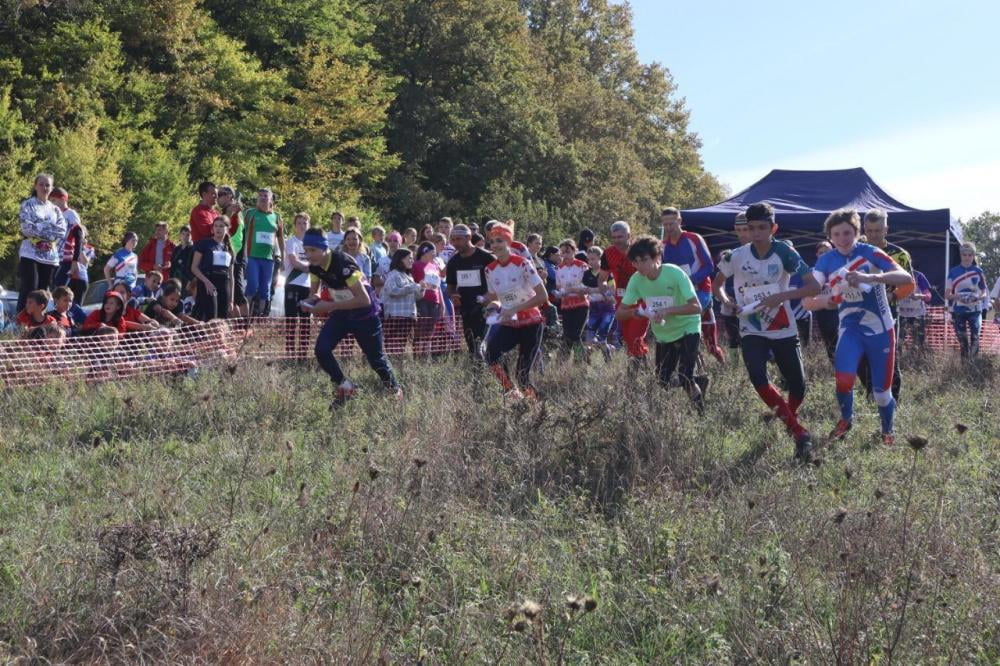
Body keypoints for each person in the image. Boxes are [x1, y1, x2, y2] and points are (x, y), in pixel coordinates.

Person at [713, 202, 820, 461]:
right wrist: (727, 302)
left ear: (773, 228)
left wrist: (783, 295)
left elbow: (814, 286)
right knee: (758, 376)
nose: (757, 233)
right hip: (752, 326)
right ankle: (798, 432)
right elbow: (716, 285)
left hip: (782, 326)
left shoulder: (785, 252)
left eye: (762, 228)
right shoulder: (735, 256)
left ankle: (785, 419)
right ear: (746, 230)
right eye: (751, 228)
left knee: (798, 386)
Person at [809, 209, 913, 447]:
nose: (843, 238)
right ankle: (846, 419)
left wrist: (871, 279)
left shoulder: (870, 252)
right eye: (837, 234)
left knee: (881, 393)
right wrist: (817, 298)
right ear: (830, 236)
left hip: (881, 330)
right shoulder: (826, 260)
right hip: (850, 329)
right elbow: (812, 289)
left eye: (847, 233)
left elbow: (906, 277)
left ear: (856, 233)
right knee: (843, 380)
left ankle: (887, 430)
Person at [299, 229, 401, 406]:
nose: (309, 255)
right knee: (321, 350)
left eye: (312, 250)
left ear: (324, 248)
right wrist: (309, 302)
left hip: (364, 314)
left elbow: (363, 300)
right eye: (305, 250)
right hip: (341, 313)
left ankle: (395, 389)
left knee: (375, 359)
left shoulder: (343, 263)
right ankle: (346, 387)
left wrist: (328, 306)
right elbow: (314, 293)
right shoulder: (314, 266)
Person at [616, 235, 707, 412]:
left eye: (644, 260)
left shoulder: (674, 273)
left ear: (657, 257)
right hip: (664, 333)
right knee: (663, 381)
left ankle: (701, 415)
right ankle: (699, 382)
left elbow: (696, 307)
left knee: (684, 376)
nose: (640, 265)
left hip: (688, 327)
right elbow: (620, 313)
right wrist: (638, 312)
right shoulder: (636, 280)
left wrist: (667, 310)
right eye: (635, 262)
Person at [482, 222, 548, 399]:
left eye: (500, 241)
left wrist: (515, 309)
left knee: (522, 375)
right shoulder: (489, 270)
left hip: (531, 323)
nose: (495, 245)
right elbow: (496, 298)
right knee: (490, 354)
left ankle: (538, 407)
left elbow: (543, 296)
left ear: (509, 243)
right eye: (492, 242)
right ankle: (512, 393)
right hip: (509, 323)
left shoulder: (523, 263)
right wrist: (491, 309)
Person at [857, 209, 913, 401]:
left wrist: (891, 296)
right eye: (869, 230)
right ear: (863, 228)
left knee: (889, 357)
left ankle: (892, 403)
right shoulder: (856, 249)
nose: (873, 235)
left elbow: (909, 285)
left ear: (886, 229)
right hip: (859, 311)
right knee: (859, 356)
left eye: (878, 231)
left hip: (887, 312)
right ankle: (872, 390)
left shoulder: (899, 254)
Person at [660, 207, 725, 364]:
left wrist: (689, 281)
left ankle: (722, 366)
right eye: (665, 224)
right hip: (678, 294)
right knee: (684, 336)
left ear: (680, 221)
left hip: (701, 291)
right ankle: (694, 370)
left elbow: (709, 266)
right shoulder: (663, 246)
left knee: (711, 345)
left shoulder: (693, 239)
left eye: (672, 224)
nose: (668, 228)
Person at [600, 221, 649, 371]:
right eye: (614, 237)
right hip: (622, 301)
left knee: (635, 336)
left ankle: (633, 373)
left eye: (620, 236)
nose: (616, 240)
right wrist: (607, 294)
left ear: (629, 235)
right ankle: (644, 368)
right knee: (627, 337)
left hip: (642, 299)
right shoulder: (608, 253)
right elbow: (602, 279)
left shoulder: (641, 250)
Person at [17, 173, 67, 313]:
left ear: (51, 188)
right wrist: (49, 229)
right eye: (41, 184)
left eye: (47, 185)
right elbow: (26, 228)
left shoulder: (56, 210)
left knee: (43, 292)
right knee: (29, 287)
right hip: (30, 253)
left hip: (50, 256)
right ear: (35, 186)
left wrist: (38, 226)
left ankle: (38, 323)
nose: (44, 187)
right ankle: (21, 322)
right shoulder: (27, 204)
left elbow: (61, 231)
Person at [446, 224, 494, 359]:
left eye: (458, 239)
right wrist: (453, 295)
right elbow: (450, 287)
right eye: (453, 240)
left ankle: (491, 373)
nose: (455, 243)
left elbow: (500, 282)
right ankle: (478, 376)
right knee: (472, 347)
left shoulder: (486, 257)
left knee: (483, 346)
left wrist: (489, 299)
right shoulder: (454, 262)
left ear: (468, 237)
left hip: (487, 309)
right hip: (467, 310)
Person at [243, 188, 284, 316]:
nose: (262, 198)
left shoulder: (277, 217)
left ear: (271, 199)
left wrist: (283, 257)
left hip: (268, 258)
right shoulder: (250, 213)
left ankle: (260, 316)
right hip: (252, 256)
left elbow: (281, 238)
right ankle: (246, 315)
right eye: (260, 195)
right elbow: (239, 229)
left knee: (265, 289)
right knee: (252, 285)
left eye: (265, 196)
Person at [944, 242, 988, 359]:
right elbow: (947, 295)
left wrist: (979, 297)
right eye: (964, 254)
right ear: (960, 255)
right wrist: (958, 296)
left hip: (975, 310)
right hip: (959, 310)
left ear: (973, 256)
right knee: (962, 339)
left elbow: (984, 292)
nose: (967, 257)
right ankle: (964, 366)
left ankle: (973, 365)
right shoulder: (953, 272)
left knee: (975, 337)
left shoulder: (978, 271)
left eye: (970, 255)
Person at [717, 212, 750, 364]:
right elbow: (717, 285)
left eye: (746, 229)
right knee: (734, 338)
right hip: (733, 307)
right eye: (739, 230)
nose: (742, 234)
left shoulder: (773, 251)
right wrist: (726, 300)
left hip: (761, 308)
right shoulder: (731, 256)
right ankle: (736, 367)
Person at [191, 216, 236, 322]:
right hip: (207, 283)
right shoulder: (204, 244)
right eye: (215, 226)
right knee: (209, 317)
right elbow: (194, 267)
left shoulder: (229, 249)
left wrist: (231, 300)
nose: (218, 229)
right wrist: (207, 282)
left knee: (221, 318)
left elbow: (231, 276)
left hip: (223, 285)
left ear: (227, 229)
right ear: (212, 229)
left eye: (221, 226)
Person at [282, 212, 313, 357]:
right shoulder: (292, 242)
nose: (302, 226)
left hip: (307, 287)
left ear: (309, 225)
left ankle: (303, 355)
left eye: (305, 223)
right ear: (295, 226)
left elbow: (318, 262)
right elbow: (294, 261)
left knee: (305, 322)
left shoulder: (312, 245)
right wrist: (309, 268)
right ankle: (289, 353)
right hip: (293, 284)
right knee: (291, 321)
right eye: (299, 223)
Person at [382, 248, 424, 355]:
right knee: (394, 347)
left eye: (412, 258)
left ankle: (397, 368)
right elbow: (392, 291)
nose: (412, 260)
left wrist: (422, 288)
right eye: (409, 258)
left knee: (401, 348)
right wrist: (412, 287)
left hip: (408, 316)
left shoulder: (409, 277)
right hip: (396, 316)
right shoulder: (393, 274)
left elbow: (417, 297)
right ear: (400, 259)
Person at [554, 239, 590, 358]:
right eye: (562, 252)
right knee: (568, 335)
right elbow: (559, 286)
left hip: (581, 304)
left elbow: (586, 286)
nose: (565, 255)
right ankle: (566, 361)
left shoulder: (582, 266)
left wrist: (571, 290)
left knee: (575, 334)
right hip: (566, 305)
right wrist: (559, 293)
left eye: (568, 252)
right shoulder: (559, 268)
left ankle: (580, 359)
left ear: (574, 251)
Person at [217, 186, 248, 317]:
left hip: (235, 256)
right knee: (230, 292)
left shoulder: (234, 213)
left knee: (238, 292)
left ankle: (245, 326)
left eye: (221, 194)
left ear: (230, 196)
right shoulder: (228, 212)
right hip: (226, 256)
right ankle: (237, 325)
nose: (217, 197)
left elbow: (230, 231)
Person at [583, 246, 616, 360]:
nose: (591, 262)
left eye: (593, 259)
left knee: (602, 336)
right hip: (593, 308)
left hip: (607, 308)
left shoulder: (607, 273)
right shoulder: (586, 274)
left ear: (600, 258)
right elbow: (583, 289)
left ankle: (608, 358)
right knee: (589, 338)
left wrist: (593, 290)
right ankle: (587, 363)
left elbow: (612, 290)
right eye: (589, 259)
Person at [412, 242, 444, 355]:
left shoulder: (435, 266)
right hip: (421, 300)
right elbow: (413, 283)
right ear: (425, 251)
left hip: (434, 301)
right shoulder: (415, 265)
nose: (435, 253)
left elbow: (438, 286)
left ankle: (426, 356)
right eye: (433, 251)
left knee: (430, 330)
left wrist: (442, 303)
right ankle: (418, 356)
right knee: (420, 329)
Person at [812, 241, 840, 364]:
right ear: (817, 255)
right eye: (820, 252)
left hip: (838, 309)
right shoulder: (812, 271)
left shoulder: (840, 268)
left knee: (839, 337)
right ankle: (834, 365)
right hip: (821, 310)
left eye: (827, 251)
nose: (823, 254)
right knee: (828, 338)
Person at [50, 188, 82, 288]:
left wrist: (75, 261)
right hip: (53, 258)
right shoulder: (54, 215)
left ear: (63, 199)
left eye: (54, 200)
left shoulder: (71, 214)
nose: (52, 204)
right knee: (51, 288)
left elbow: (79, 237)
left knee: (59, 288)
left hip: (66, 259)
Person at [897, 270, 932, 352]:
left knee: (919, 343)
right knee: (898, 343)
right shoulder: (895, 274)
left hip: (917, 314)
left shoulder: (918, 275)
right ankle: (898, 362)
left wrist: (920, 296)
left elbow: (928, 296)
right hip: (901, 314)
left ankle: (917, 362)